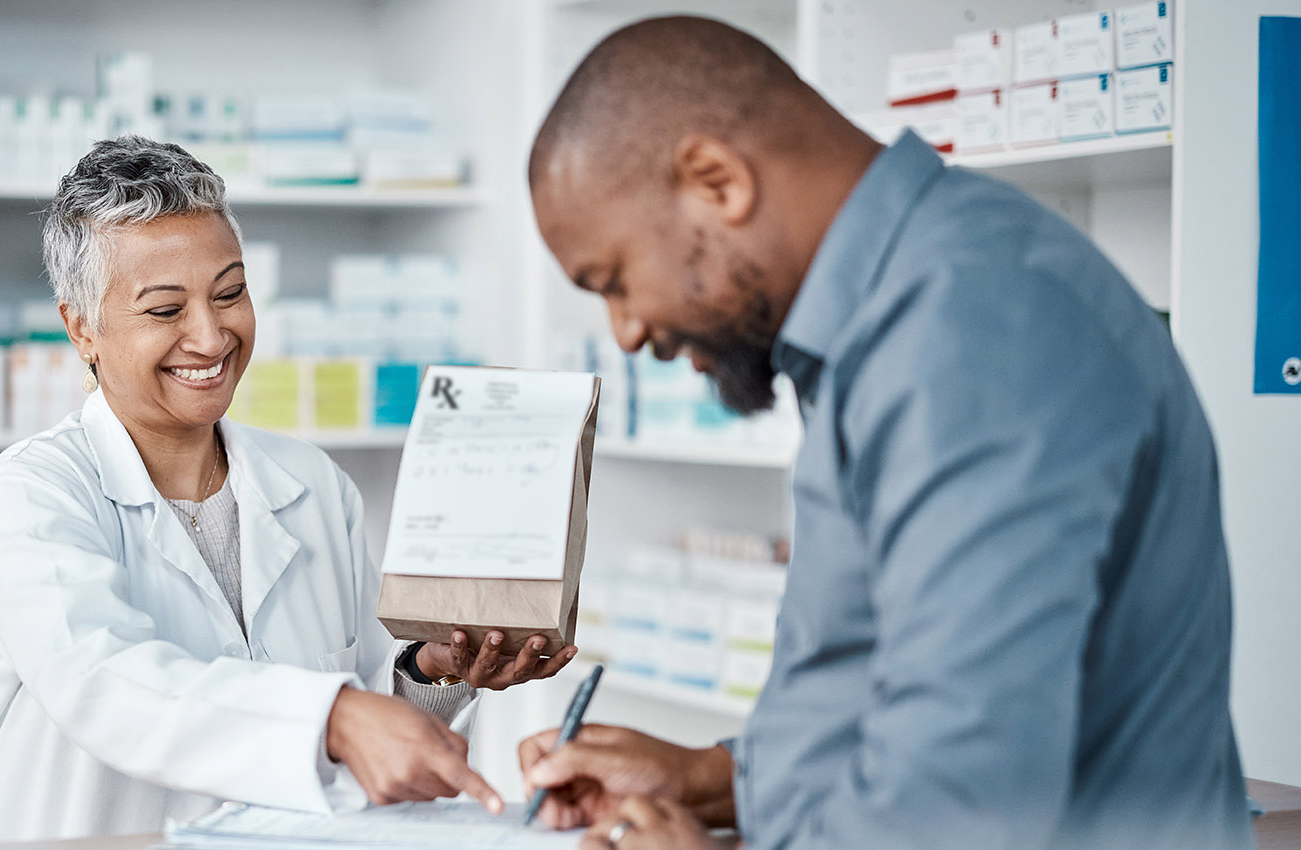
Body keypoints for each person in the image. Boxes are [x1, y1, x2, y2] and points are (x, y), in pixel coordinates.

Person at [516, 16, 1249, 850]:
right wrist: (714, 781)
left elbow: (958, 790)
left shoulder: (971, 327)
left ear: (716, 181)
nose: (625, 332)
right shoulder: (887, 324)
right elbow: (894, 680)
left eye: (612, 281)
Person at [0, 136, 575, 842]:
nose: (211, 334)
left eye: (230, 293)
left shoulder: (311, 485)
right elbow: (105, 684)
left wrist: (432, 674)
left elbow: (362, 721)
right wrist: (335, 715)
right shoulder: (34, 492)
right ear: (81, 328)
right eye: (165, 311)